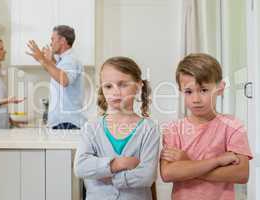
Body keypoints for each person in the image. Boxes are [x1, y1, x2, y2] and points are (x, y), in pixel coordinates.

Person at [160, 53, 253, 200]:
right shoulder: (173, 129)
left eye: (204, 90)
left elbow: (241, 174)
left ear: (220, 88)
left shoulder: (233, 126)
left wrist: (187, 164)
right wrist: (216, 162)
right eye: (189, 92)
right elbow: (168, 173)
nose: (196, 99)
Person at [74, 56, 160, 200]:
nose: (115, 92)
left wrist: (107, 177)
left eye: (123, 85)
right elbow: (80, 167)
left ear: (139, 86)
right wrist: (119, 163)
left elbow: (147, 176)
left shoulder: (149, 128)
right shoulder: (91, 127)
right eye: (108, 86)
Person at [26, 25, 86, 129]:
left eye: (53, 39)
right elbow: (58, 73)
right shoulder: (64, 60)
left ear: (62, 40)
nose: (51, 43)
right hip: (65, 122)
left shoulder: (70, 60)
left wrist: (42, 60)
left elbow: (64, 80)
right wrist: (49, 61)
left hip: (67, 122)